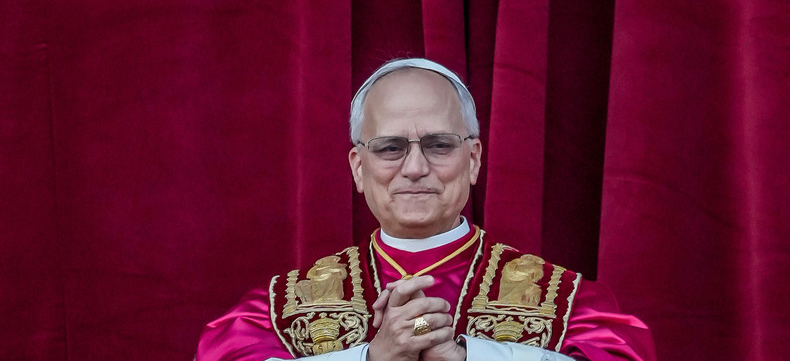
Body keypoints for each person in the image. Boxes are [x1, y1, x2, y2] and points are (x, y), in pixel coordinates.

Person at [197, 59, 656, 361]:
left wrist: (468, 356)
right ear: (358, 167)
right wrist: (371, 358)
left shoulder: (567, 305)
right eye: (390, 147)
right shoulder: (279, 311)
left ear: (473, 159)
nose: (415, 168)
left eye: (438, 145)